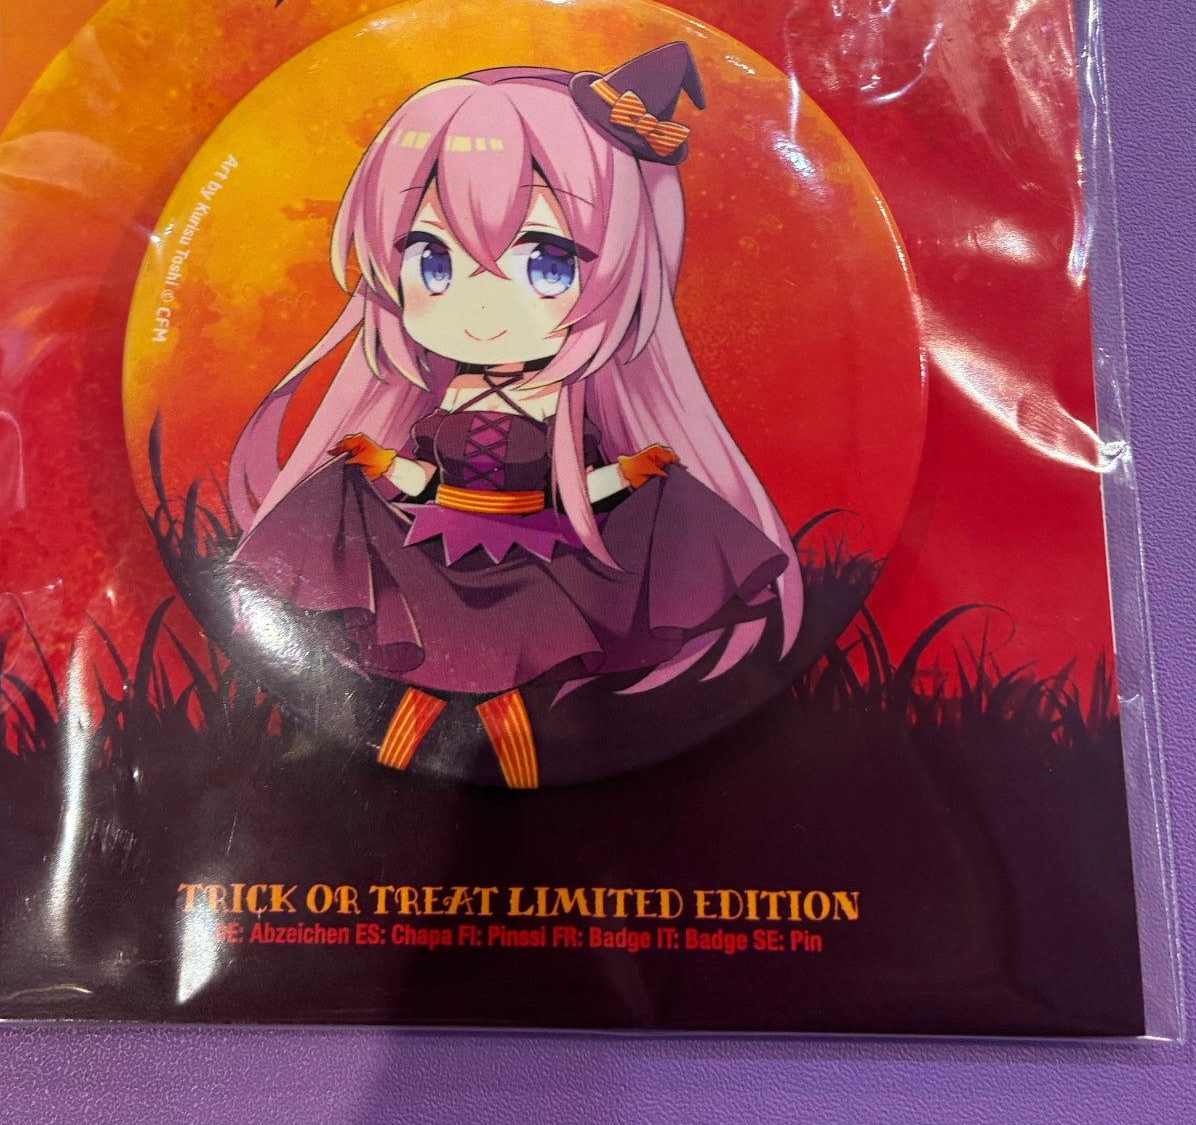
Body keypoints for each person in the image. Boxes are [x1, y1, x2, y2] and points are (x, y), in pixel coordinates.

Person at [226, 42, 803, 788]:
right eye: (433, 260)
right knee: (430, 685)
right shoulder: (452, 397)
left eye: (548, 264)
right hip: (439, 548)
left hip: (530, 558)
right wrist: (379, 464)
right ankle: (387, 781)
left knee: (502, 691)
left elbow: (571, 489)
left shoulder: (553, 404)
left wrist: (631, 475)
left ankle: (508, 783)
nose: (482, 310)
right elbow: (428, 481)